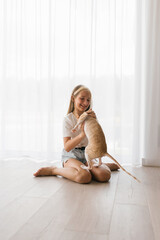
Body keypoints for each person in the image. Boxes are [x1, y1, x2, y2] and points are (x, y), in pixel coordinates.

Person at [33, 85, 119, 183]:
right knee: (84, 177)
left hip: (87, 154)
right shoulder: (68, 119)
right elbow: (67, 147)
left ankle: (101, 167)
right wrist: (82, 134)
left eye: (88, 100)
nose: (85, 103)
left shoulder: (90, 117)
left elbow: (96, 137)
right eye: (82, 99)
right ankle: (54, 170)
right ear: (73, 99)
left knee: (104, 176)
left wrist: (95, 122)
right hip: (71, 155)